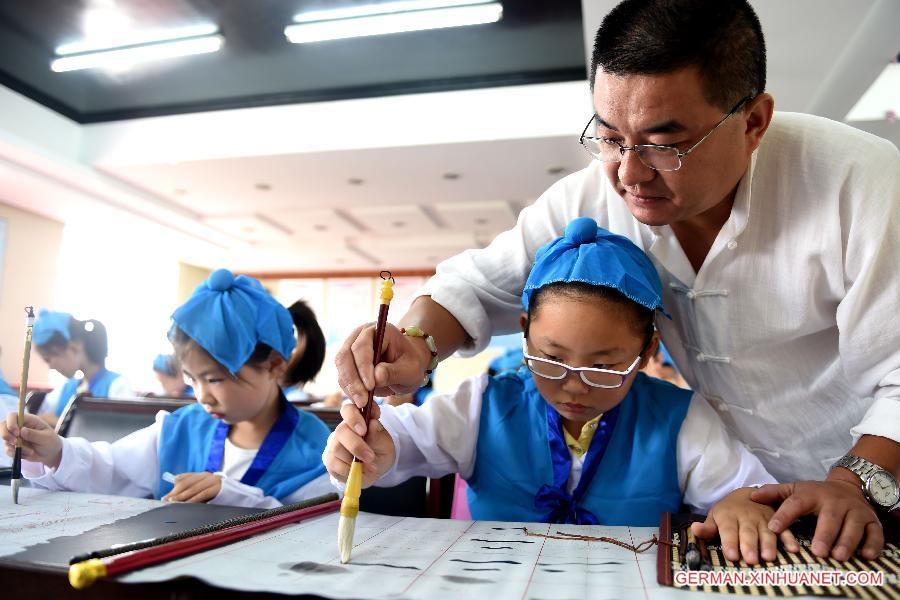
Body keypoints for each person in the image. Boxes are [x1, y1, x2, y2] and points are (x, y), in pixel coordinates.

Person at [336, 0, 900, 561]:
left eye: (664, 143)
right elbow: (478, 286)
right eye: (609, 136)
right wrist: (413, 344)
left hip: (866, 492)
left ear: (753, 122)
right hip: (734, 514)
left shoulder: (860, 186)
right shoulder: (595, 195)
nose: (629, 172)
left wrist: (851, 486)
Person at [328, 218, 787, 564]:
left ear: (649, 349)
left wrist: (739, 504)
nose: (572, 383)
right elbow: (402, 441)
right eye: (549, 359)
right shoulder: (486, 403)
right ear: (524, 331)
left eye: (604, 367)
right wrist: (371, 451)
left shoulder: (680, 420)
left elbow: (743, 488)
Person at [2, 269, 333, 508]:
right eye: (192, 379)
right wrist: (54, 452)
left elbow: (315, 530)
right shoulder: (179, 428)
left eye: (215, 379)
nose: (202, 395)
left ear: (274, 365)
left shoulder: (319, 451)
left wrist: (234, 496)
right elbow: (111, 468)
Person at [32, 310, 132, 427]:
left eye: (49, 358)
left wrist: (56, 422)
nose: (51, 366)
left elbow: (121, 432)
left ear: (73, 347)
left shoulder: (117, 385)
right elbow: (40, 417)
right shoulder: (66, 388)